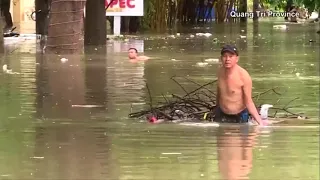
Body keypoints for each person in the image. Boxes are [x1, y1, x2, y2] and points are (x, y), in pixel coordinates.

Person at [215, 44, 263, 125]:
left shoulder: (243, 76)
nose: (227, 59)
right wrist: (216, 109)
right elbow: (219, 93)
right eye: (225, 56)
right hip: (222, 113)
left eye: (231, 56)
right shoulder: (220, 72)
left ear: (237, 59)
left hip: (240, 115)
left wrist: (260, 123)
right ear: (221, 58)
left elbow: (249, 102)